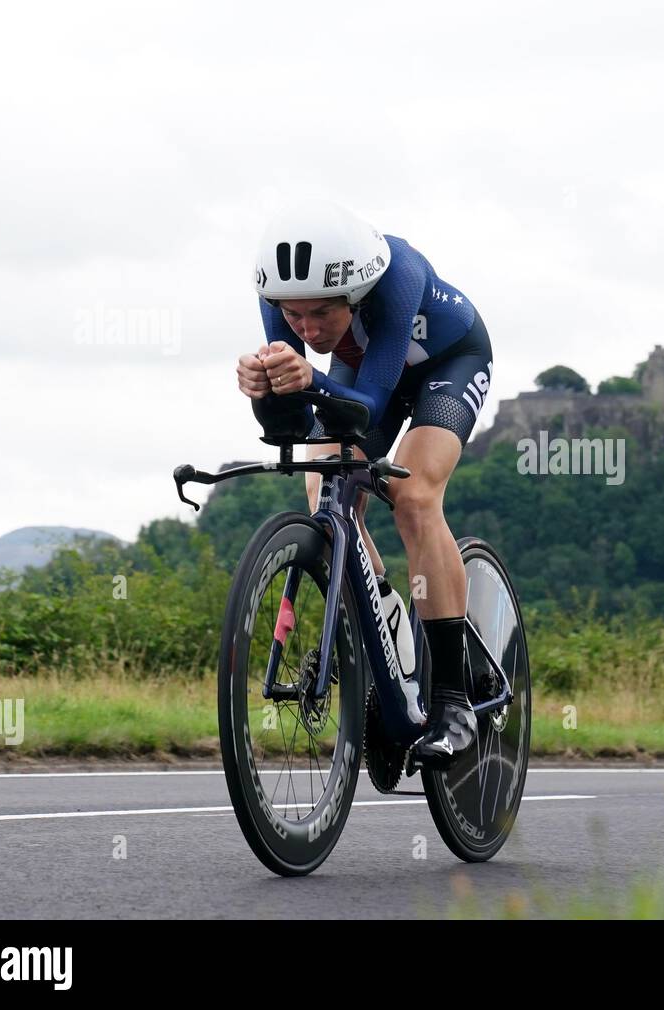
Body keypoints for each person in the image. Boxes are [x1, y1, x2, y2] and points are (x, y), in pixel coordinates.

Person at [236, 199, 492, 768]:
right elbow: (296, 427)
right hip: (363, 372)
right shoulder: (285, 301)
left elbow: (372, 407)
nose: (306, 329)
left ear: (354, 292)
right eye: (293, 318)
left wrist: (312, 380)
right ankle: (387, 619)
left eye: (321, 315)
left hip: (443, 365)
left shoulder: (396, 276)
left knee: (414, 494)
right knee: (320, 483)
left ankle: (454, 704)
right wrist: (265, 398)